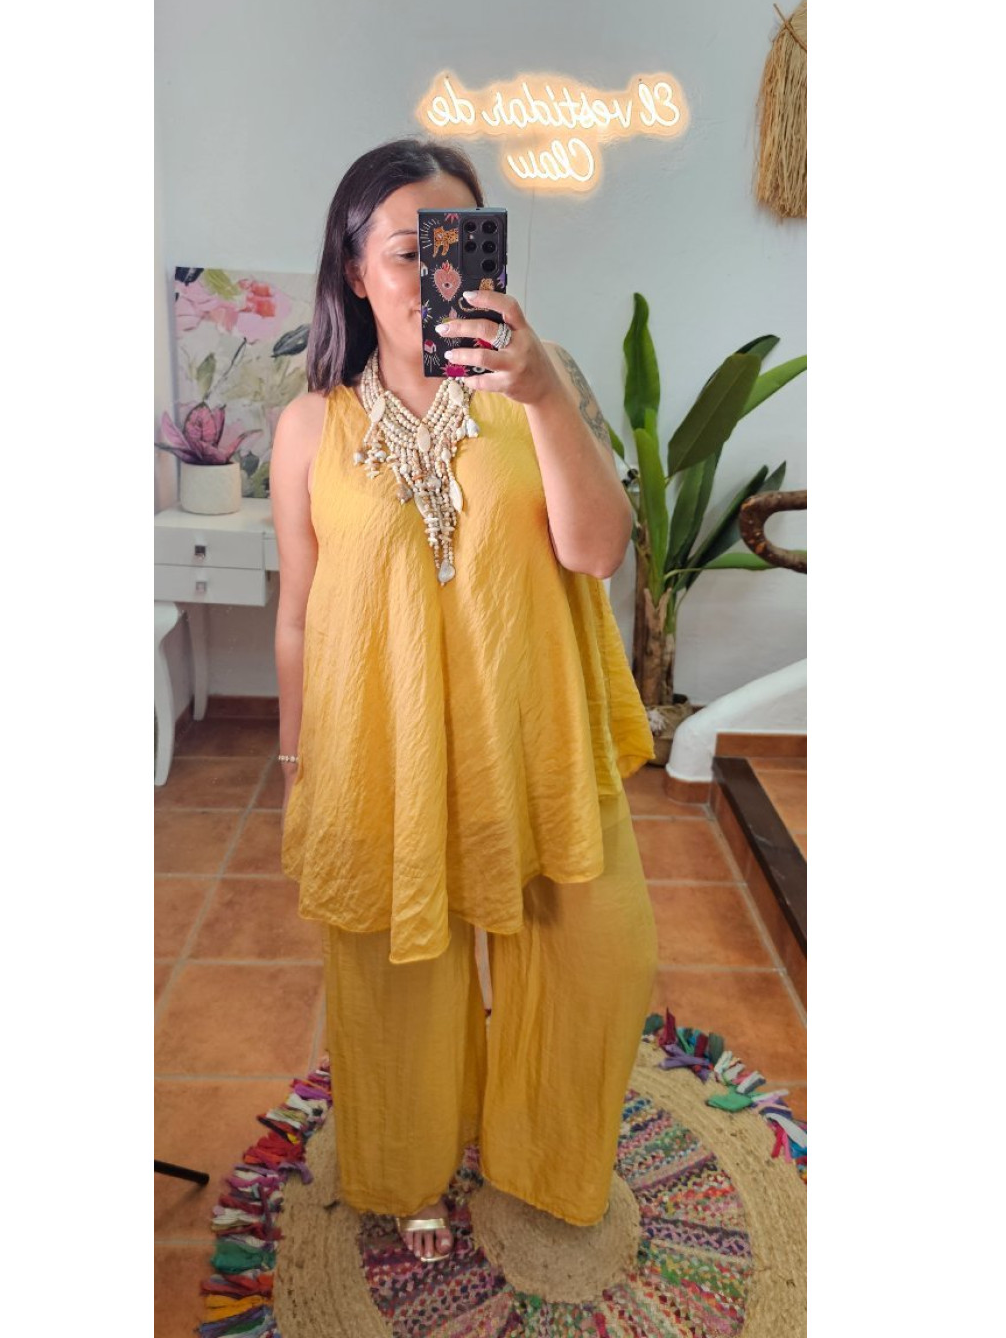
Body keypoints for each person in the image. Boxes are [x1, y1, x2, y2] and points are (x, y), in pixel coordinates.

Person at [270, 135, 659, 1265]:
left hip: (532, 735)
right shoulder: (311, 426)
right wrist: (297, 765)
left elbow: (598, 552)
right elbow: (298, 612)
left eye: (459, 245)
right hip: (383, 752)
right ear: (354, 270)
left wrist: (538, 394)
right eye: (408, 250)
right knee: (396, 977)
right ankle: (408, 1165)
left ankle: (546, 1157)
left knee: (597, 955)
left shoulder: (542, 380)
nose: (437, 275)